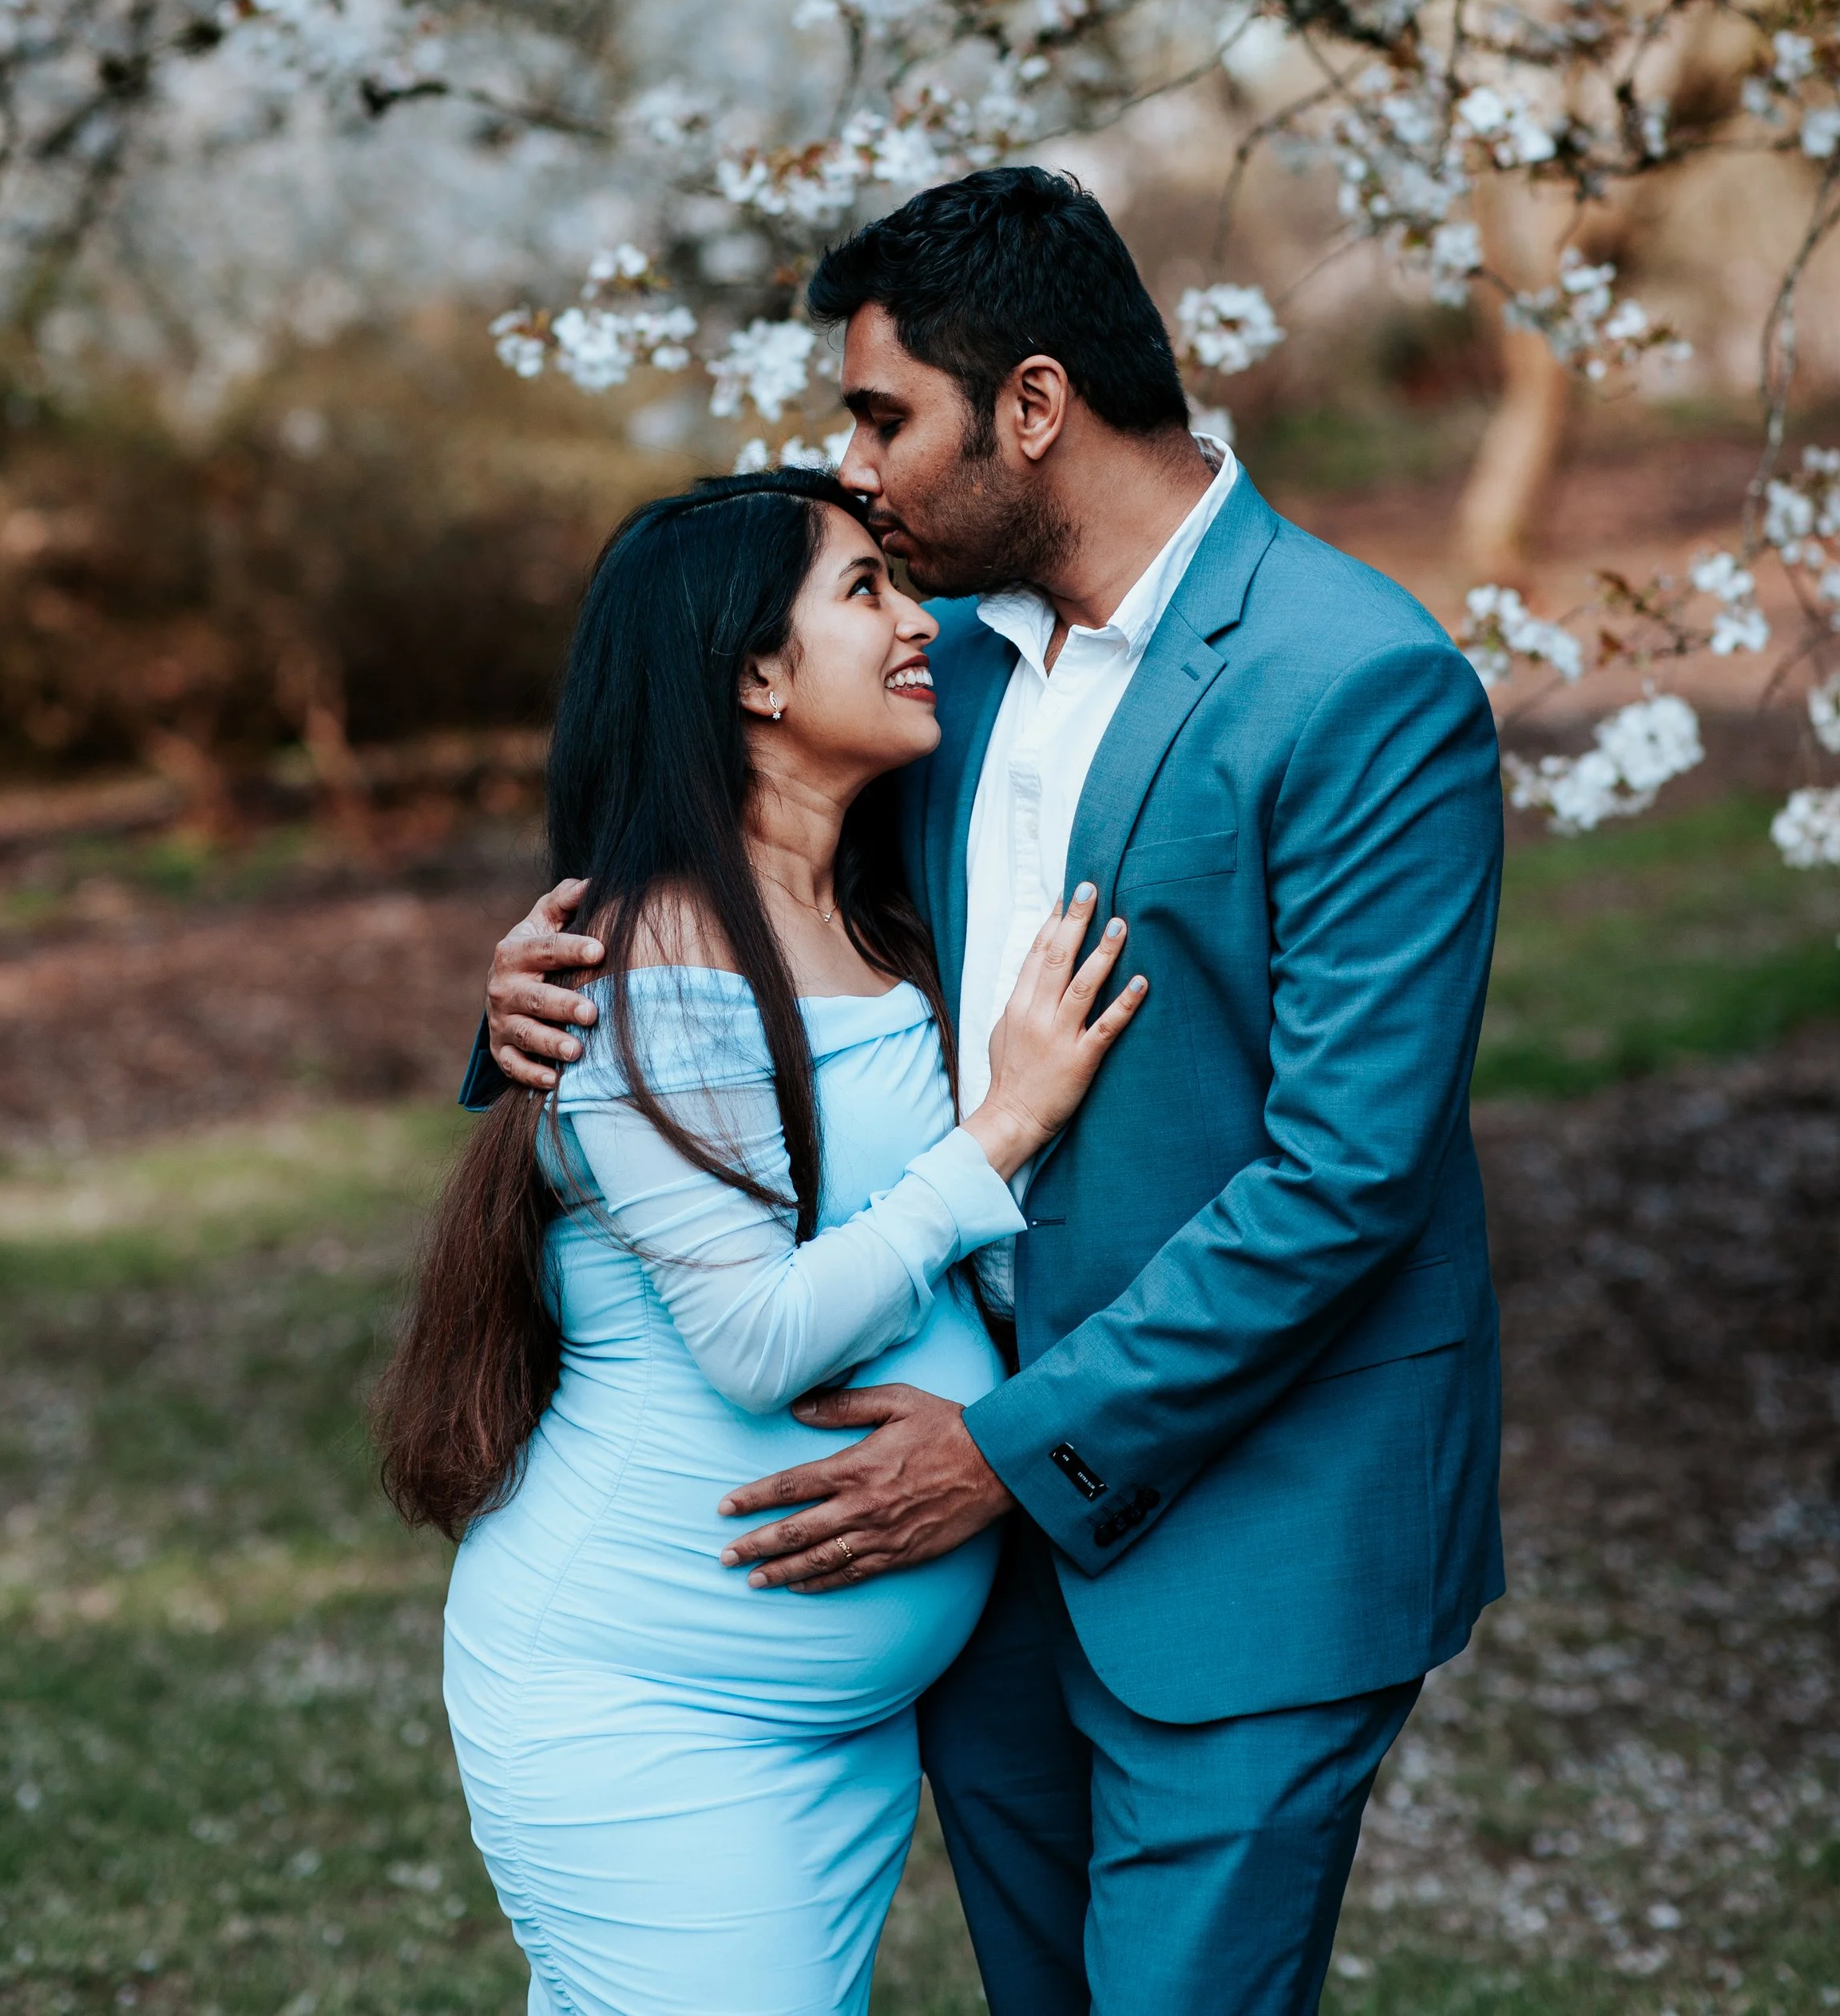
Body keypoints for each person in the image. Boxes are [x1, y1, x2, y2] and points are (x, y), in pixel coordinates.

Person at [475, 167, 1506, 2016]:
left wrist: (999, 1450)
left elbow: (1343, 1176)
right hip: (983, 1575)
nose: (853, 470)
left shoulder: (1357, 686)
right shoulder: (925, 673)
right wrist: (527, 994)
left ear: (1030, 406)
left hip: (1250, 1530)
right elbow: (728, 884)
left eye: (883, 416)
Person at [377, 466, 1145, 2016]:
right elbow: (757, 1338)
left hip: (825, 1725)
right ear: (752, 674)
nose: (914, 617)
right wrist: (1000, 1128)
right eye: (862, 590)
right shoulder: (650, 963)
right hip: (652, 1709)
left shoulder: (871, 905)